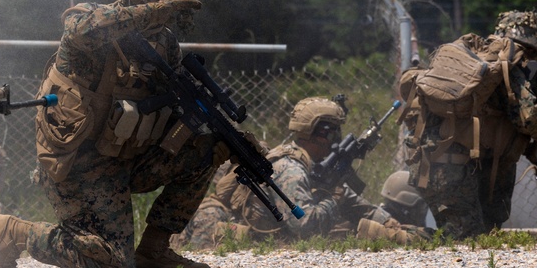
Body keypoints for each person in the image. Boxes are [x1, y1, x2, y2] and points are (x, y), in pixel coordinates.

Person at [0, 0, 226, 268]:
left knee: (207, 144)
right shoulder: (91, 19)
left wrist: (216, 132)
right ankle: (12, 231)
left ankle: (154, 251)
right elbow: (83, 30)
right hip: (79, 163)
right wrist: (153, 12)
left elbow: (171, 110)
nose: (157, 1)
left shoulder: (165, 44)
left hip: (126, 158)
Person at [177, 97, 427, 249]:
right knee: (348, 230)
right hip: (228, 234)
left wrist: (392, 224)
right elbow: (304, 227)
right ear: (321, 133)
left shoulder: (312, 165)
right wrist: (331, 198)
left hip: (262, 231)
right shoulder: (290, 169)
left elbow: (355, 202)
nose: (336, 139)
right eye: (334, 132)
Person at [403, 10, 537, 239]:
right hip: (452, 168)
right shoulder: (509, 64)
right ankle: (389, 235)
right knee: (466, 239)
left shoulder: (478, 56)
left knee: (473, 236)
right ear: (533, 45)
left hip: (437, 161)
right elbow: (530, 120)